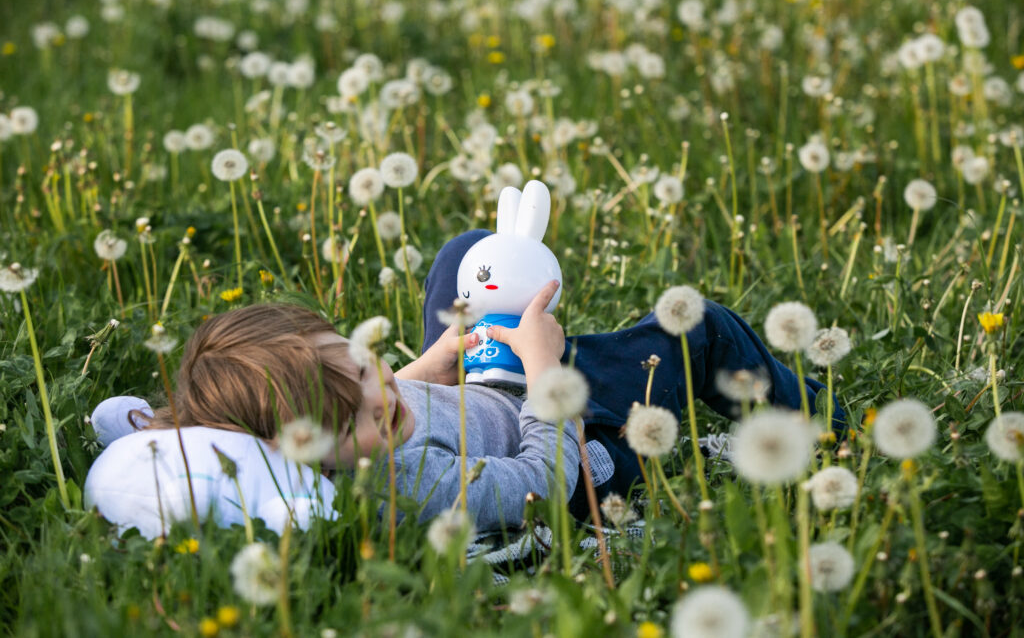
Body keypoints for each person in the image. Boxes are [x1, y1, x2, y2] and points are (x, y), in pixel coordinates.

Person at [89, 230, 844, 533]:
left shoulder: (368, 412)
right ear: (299, 448)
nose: (382, 394)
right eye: (360, 408)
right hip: (562, 431)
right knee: (701, 328)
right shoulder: (411, 482)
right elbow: (538, 477)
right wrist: (546, 371)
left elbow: (398, 396)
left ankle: (511, 321)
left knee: (462, 256)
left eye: (364, 362)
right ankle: (818, 420)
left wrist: (431, 363)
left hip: (479, 385)